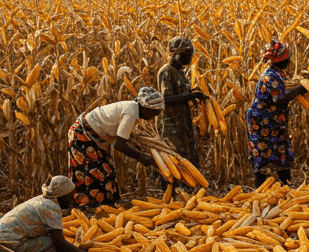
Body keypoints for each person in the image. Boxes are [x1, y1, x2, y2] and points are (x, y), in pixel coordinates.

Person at [69, 88, 166, 208]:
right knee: (92, 172)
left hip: (95, 137)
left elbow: (126, 138)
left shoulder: (133, 110)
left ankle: (108, 205)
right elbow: (120, 145)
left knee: (107, 171)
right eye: (156, 112)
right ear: (146, 107)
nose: (157, 115)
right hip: (83, 135)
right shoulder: (131, 113)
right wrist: (143, 157)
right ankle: (90, 207)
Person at [0, 176, 99, 252]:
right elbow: (60, 243)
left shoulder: (41, 200)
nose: (72, 200)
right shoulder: (50, 207)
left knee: (48, 240)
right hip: (2, 250)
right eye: (70, 195)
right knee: (49, 244)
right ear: (61, 195)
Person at [247, 39, 309, 186]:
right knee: (264, 154)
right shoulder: (272, 76)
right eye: (287, 58)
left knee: (280, 151)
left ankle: (285, 188)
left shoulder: (278, 73)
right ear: (282, 60)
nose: (289, 61)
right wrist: (299, 90)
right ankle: (262, 191)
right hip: (263, 120)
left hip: (272, 120)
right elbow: (278, 100)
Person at [157, 37, 208, 166]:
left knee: (186, 158)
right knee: (173, 158)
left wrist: (192, 92)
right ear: (174, 53)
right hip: (170, 125)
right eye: (185, 56)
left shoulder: (180, 71)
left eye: (190, 56)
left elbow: (180, 93)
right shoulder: (167, 72)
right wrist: (190, 96)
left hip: (182, 122)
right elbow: (165, 99)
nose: (189, 60)